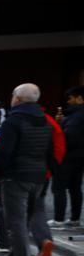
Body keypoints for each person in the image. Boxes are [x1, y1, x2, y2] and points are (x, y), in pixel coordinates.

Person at [0, 84, 57, 256]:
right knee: (26, 220)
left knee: (16, 223)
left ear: (17, 99)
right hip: (38, 176)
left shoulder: (14, 121)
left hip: (16, 177)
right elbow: (50, 150)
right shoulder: (45, 121)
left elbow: (4, 153)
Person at [50, 87, 84, 228]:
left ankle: (59, 219)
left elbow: (69, 138)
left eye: (70, 98)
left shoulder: (77, 116)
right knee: (75, 188)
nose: (68, 102)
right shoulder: (75, 116)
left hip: (67, 157)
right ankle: (75, 218)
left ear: (79, 98)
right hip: (80, 157)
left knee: (59, 187)